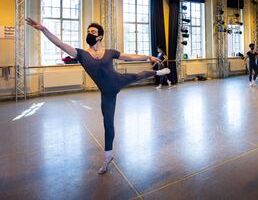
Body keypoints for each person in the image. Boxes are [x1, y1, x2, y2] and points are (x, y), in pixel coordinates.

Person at [26, 18, 170, 174]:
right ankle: (108, 157)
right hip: (107, 94)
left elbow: (129, 57)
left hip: (118, 80)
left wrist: (148, 57)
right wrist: (43, 29)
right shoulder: (80, 54)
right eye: (88, 32)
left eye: (93, 32)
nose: (89, 34)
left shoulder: (109, 53)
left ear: (100, 36)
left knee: (138, 75)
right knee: (108, 124)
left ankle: (156, 72)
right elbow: (60, 43)